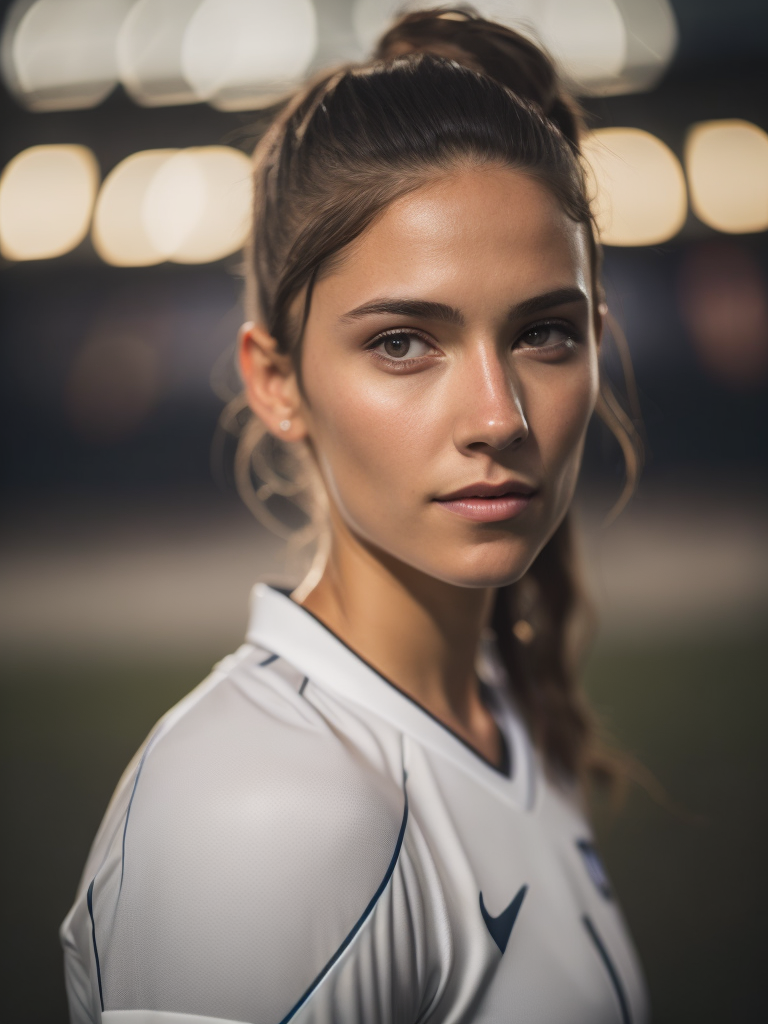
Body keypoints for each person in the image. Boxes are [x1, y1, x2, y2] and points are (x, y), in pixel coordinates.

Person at [61, 8, 649, 1023]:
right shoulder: (260, 810)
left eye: (544, 333)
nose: (498, 418)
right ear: (278, 381)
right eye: (403, 343)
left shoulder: (504, 713)